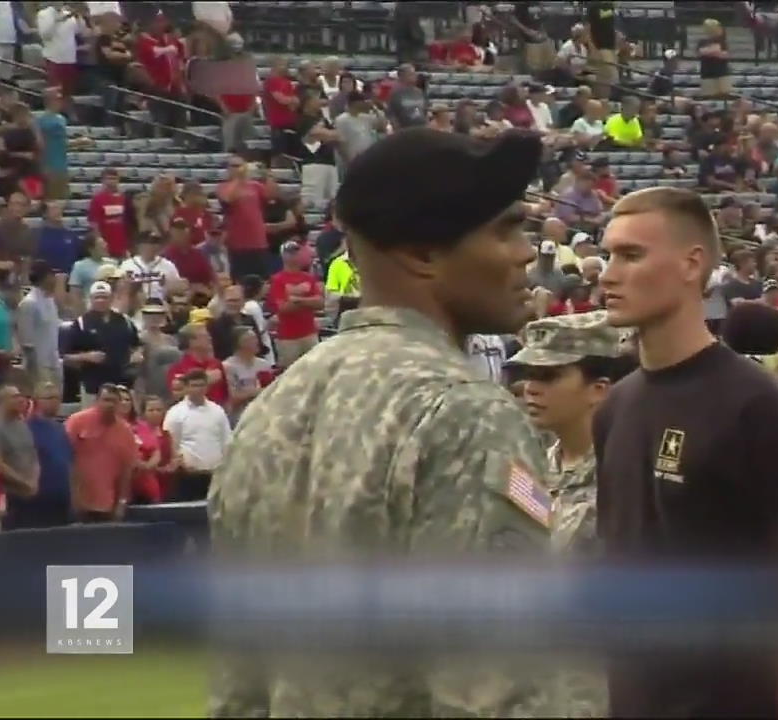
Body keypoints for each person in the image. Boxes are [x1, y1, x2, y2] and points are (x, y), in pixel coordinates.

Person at [207, 128, 557, 716]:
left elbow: (237, 686)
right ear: (422, 254)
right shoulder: (466, 410)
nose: (527, 252)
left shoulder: (272, 408)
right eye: (504, 229)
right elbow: (498, 687)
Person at [593, 187, 778, 717]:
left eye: (631, 255)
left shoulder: (755, 403)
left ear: (692, 264)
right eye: (609, 253)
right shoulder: (616, 405)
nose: (608, 273)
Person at [503, 310, 626, 717]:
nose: (530, 389)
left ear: (599, 389)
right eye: (528, 377)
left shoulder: (624, 477)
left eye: (550, 377)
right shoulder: (530, 464)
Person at [65, 383, 138, 523]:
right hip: (78, 503)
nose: (110, 405)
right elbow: (66, 460)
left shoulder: (126, 430)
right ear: (96, 401)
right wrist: (73, 497)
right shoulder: (76, 422)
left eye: (114, 401)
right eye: (106, 400)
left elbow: (126, 471)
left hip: (108, 505)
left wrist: (121, 502)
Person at [64, 281, 143, 405]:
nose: (101, 300)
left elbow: (137, 345)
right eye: (97, 297)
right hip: (93, 386)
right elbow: (66, 357)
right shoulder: (81, 323)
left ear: (111, 298)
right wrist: (87, 356)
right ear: (90, 299)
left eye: (104, 297)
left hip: (122, 385)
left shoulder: (124, 321)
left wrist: (137, 355)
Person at [10, 381, 74, 530]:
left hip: (61, 500)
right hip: (35, 502)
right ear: (37, 400)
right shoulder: (26, 428)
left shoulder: (60, 429)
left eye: (57, 398)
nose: (55, 402)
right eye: (50, 398)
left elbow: (69, 462)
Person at [163, 368, 231, 502]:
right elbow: (170, 443)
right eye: (194, 385)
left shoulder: (217, 411)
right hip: (188, 476)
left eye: (201, 385)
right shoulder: (175, 413)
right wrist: (181, 463)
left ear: (207, 387)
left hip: (215, 475)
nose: (198, 389)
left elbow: (226, 440)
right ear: (186, 387)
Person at [265, 241, 323, 367]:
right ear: (283, 256)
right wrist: (308, 301)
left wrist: (297, 300)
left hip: (309, 332)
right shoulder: (277, 279)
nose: (293, 256)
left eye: (295, 252)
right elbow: (283, 308)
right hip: (288, 337)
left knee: (315, 368)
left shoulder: (308, 278)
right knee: (289, 372)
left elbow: (319, 303)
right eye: (289, 253)